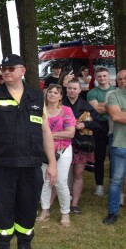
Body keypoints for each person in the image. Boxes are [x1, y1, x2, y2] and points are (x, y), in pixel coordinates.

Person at [0, 54, 57, 249]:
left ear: (22, 71)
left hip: (30, 165)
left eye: (11, 68)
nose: (6, 72)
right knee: (3, 211)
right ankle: (3, 243)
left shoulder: (37, 96)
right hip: (3, 166)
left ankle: (24, 243)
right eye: (4, 69)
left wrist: (53, 164)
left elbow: (46, 131)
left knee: (28, 209)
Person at [36, 84, 75, 227]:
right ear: (46, 95)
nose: (52, 94)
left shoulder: (66, 111)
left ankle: (65, 213)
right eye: (50, 92)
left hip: (63, 150)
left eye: (56, 92)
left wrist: (49, 135)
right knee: (45, 181)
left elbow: (70, 132)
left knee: (60, 182)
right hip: (45, 151)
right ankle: (45, 211)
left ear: (60, 96)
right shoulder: (41, 111)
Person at [62, 79, 100, 214]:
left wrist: (85, 125)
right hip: (62, 142)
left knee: (78, 173)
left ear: (80, 90)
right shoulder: (60, 104)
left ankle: (75, 204)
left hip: (80, 143)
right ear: (66, 89)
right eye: (69, 88)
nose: (72, 91)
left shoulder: (86, 105)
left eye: (74, 88)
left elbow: (98, 123)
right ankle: (60, 200)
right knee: (62, 174)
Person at [87, 67, 116, 197]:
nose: (102, 78)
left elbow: (118, 108)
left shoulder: (116, 90)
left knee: (114, 156)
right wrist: (109, 106)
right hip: (99, 126)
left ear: (108, 76)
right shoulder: (92, 92)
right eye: (99, 76)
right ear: (96, 78)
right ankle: (99, 186)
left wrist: (103, 105)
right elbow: (96, 110)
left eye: (104, 76)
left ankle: (114, 185)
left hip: (114, 125)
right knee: (99, 156)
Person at [103, 69, 126, 225]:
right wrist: (120, 113)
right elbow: (116, 116)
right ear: (116, 81)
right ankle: (112, 212)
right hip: (120, 143)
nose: (123, 81)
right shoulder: (113, 95)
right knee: (116, 180)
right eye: (120, 79)